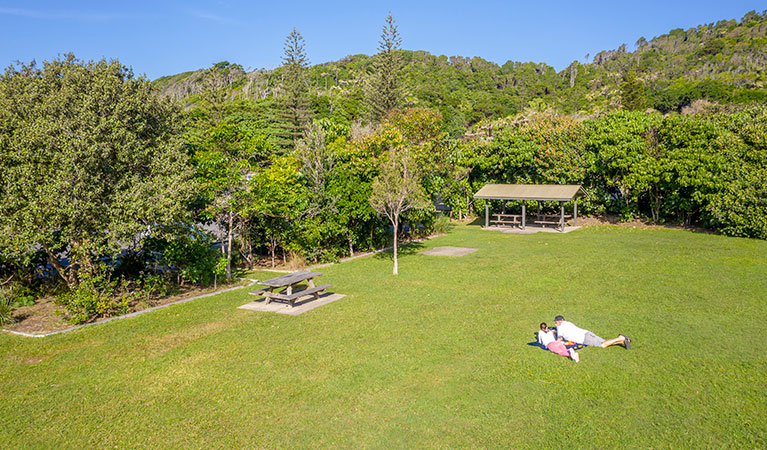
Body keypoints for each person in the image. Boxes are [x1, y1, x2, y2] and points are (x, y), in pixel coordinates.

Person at [553, 315, 631, 349]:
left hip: (584, 338)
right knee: (604, 342)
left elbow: (559, 339)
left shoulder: (560, 327)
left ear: (558, 321)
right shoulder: (568, 323)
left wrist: (555, 342)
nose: (555, 324)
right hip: (587, 333)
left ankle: (620, 337)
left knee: (603, 345)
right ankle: (622, 341)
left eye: (555, 322)